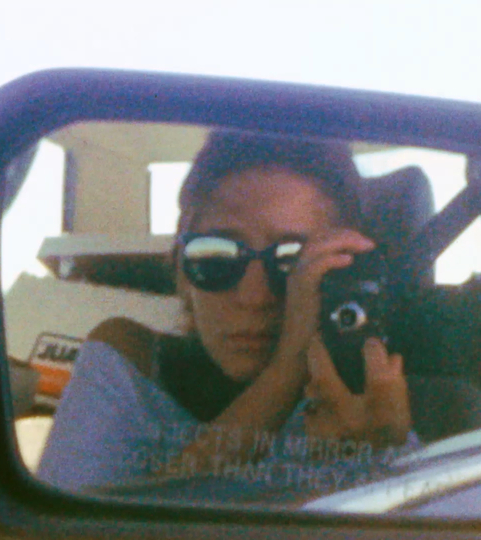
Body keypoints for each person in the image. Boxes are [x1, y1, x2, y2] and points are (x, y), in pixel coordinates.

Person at [37, 131, 419, 499]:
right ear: (181, 270)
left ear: (346, 277)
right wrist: (286, 370)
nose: (253, 298)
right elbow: (67, 529)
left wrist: (374, 458)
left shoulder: (361, 399)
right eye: (216, 257)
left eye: (292, 263)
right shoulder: (131, 369)